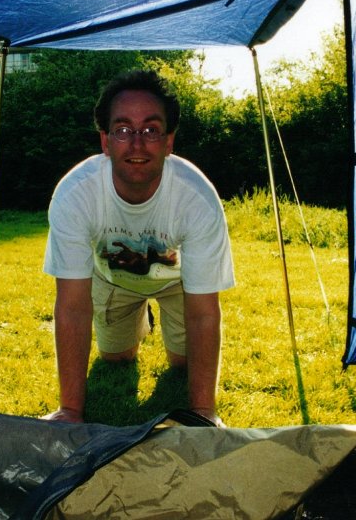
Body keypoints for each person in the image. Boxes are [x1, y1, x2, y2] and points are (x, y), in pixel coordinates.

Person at [42, 69, 235, 427]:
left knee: (183, 364)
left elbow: (205, 311)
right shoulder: (74, 194)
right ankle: (138, 319)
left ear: (168, 141)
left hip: (177, 283)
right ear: (105, 141)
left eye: (150, 130)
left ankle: (157, 310)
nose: (136, 144)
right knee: (116, 358)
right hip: (112, 279)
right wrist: (70, 411)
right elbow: (71, 306)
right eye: (122, 130)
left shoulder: (198, 198)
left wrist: (204, 411)